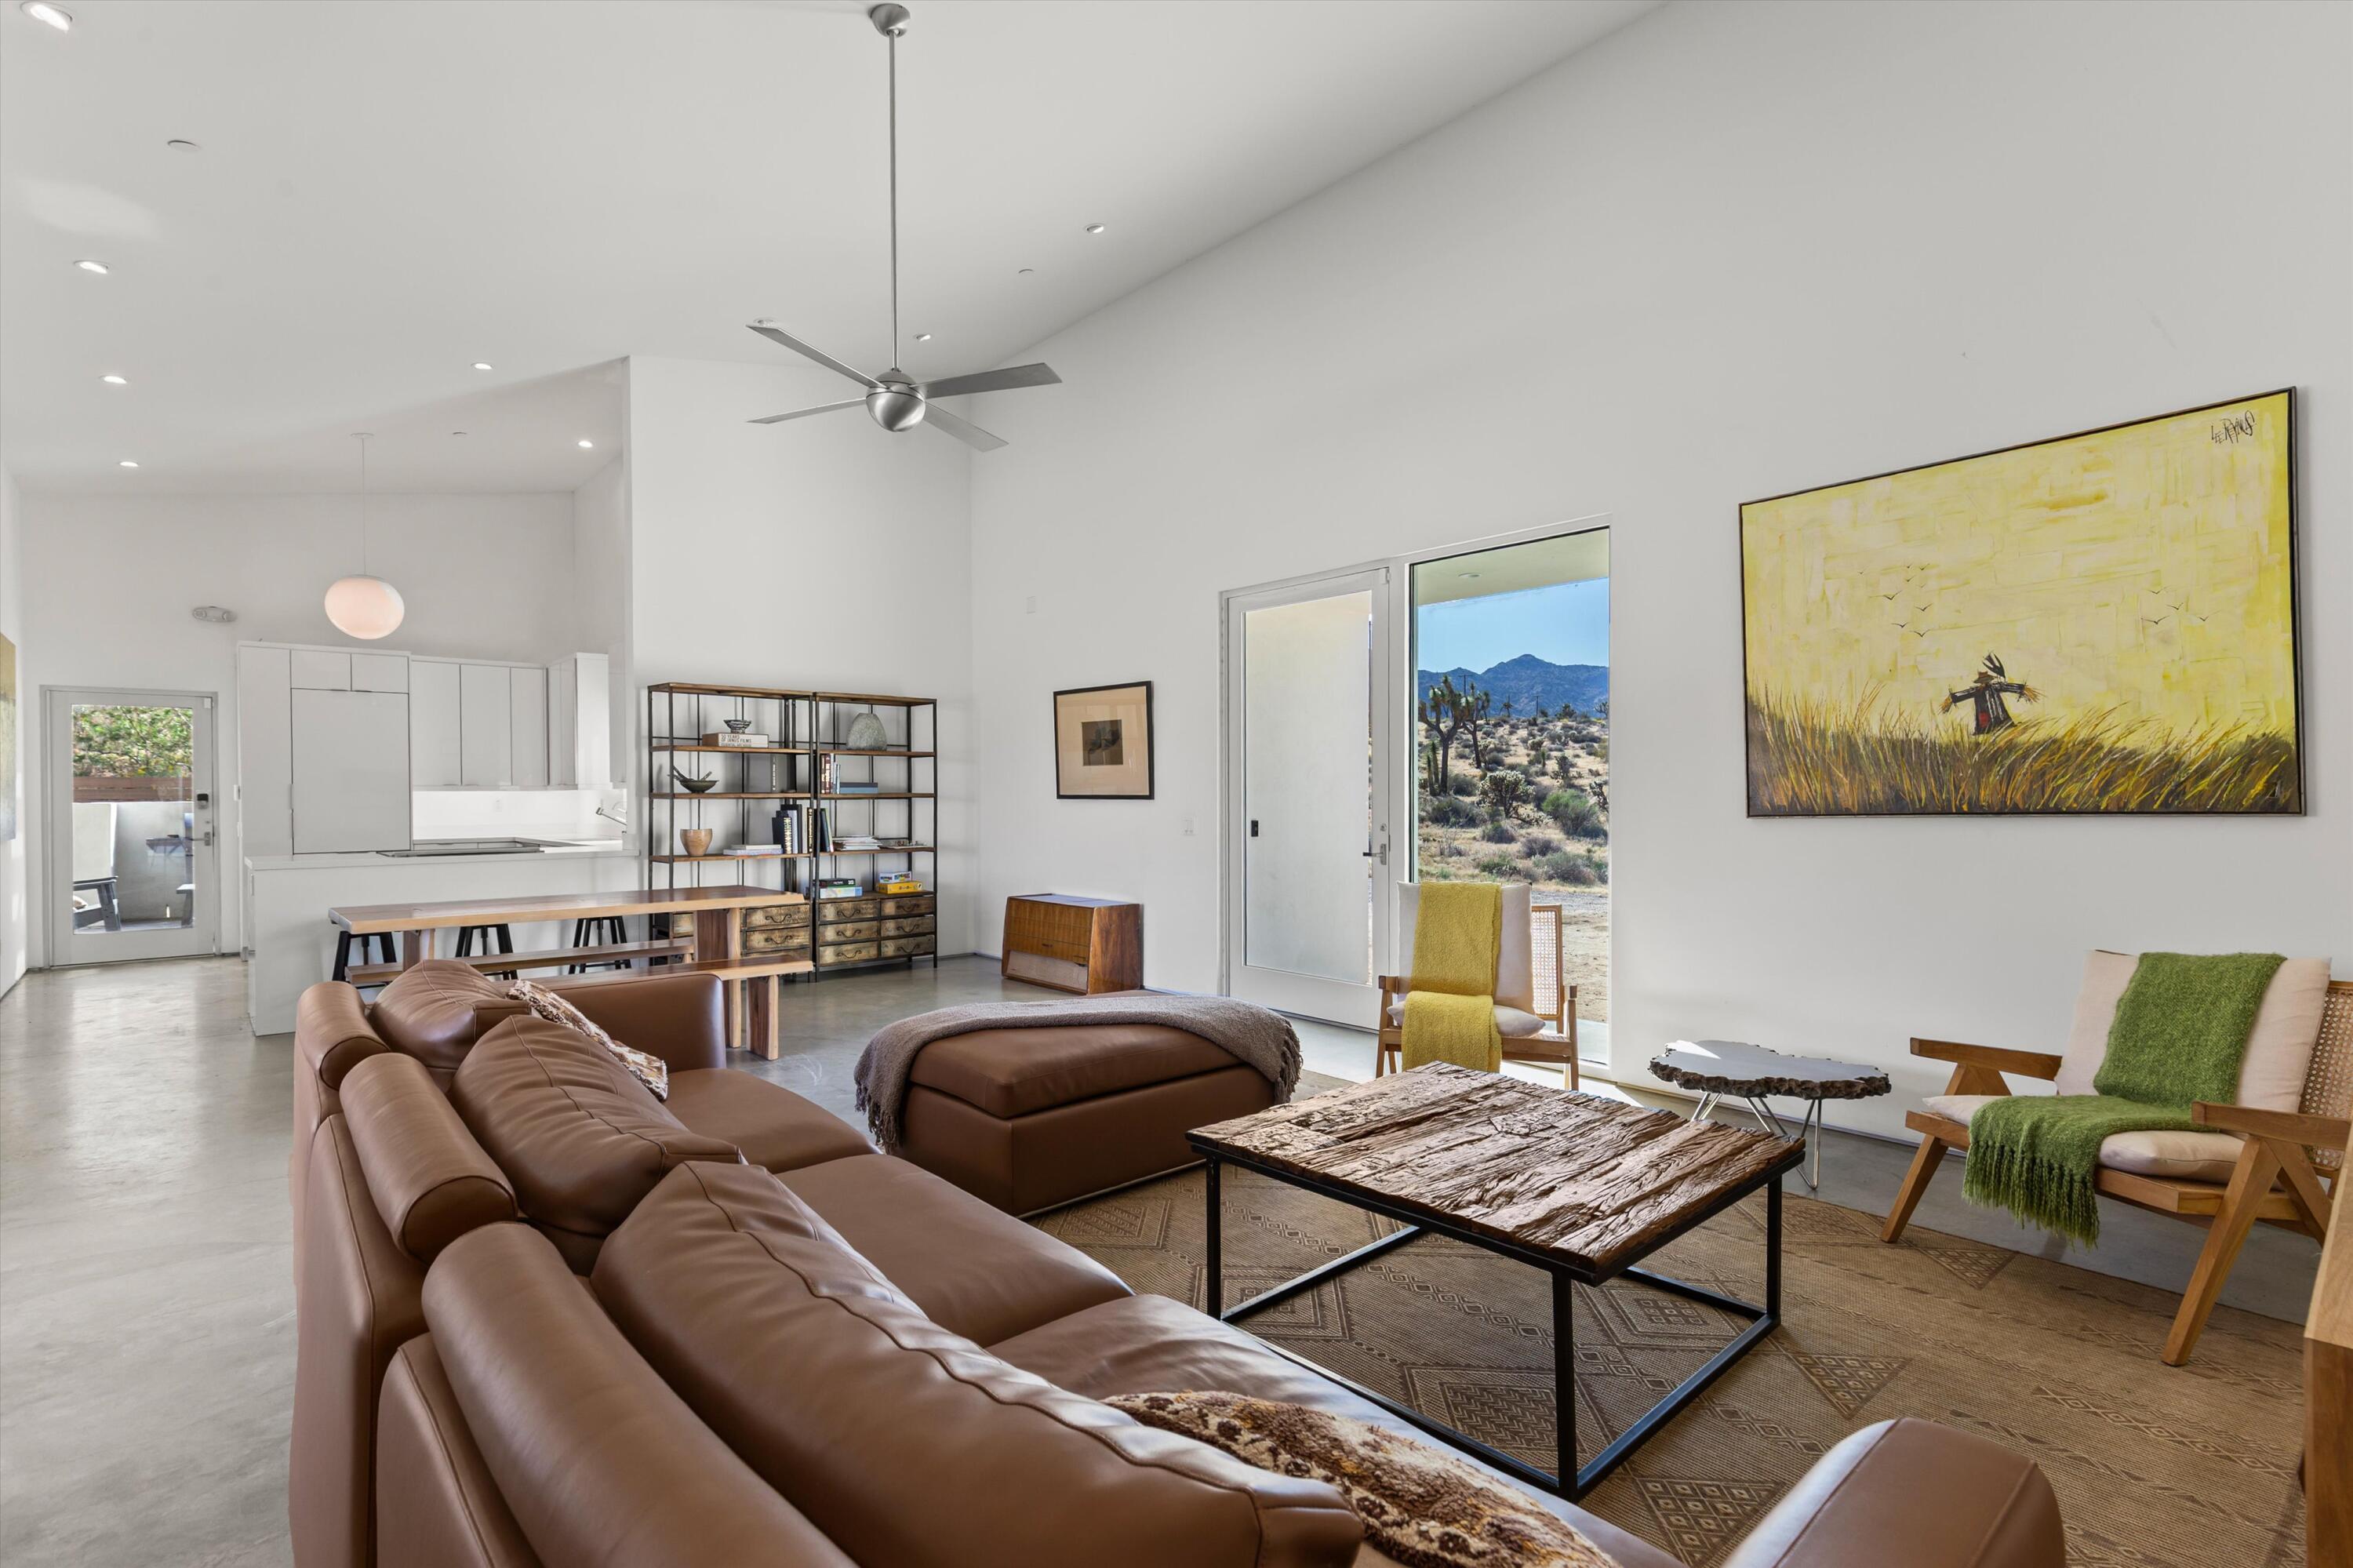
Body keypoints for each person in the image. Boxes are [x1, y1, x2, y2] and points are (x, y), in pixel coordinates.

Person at [1940, 653, 2039, 734]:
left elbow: (2008, 687)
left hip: (1999, 716)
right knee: (1988, 731)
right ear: (1980, 682)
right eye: (1983, 681)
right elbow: (1963, 695)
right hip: (1985, 718)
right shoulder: (1976, 691)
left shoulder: (1995, 687)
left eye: (1986, 680)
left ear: (1988, 680)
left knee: (2001, 728)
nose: (1984, 682)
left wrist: (2023, 689)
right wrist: (1951, 699)